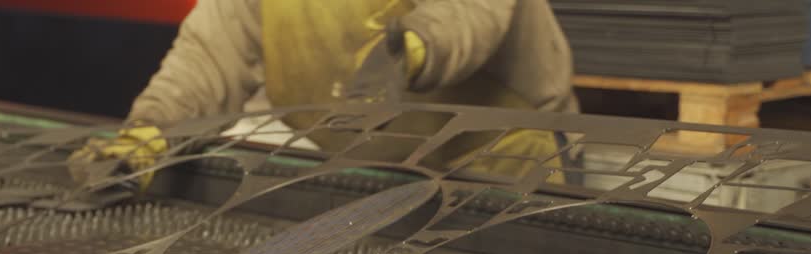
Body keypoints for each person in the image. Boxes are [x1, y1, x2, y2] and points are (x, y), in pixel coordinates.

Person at [72, 0, 578, 187]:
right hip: (372, 170)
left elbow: (473, 13)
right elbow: (211, 51)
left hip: (498, 158)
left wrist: (413, 49)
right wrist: (154, 126)